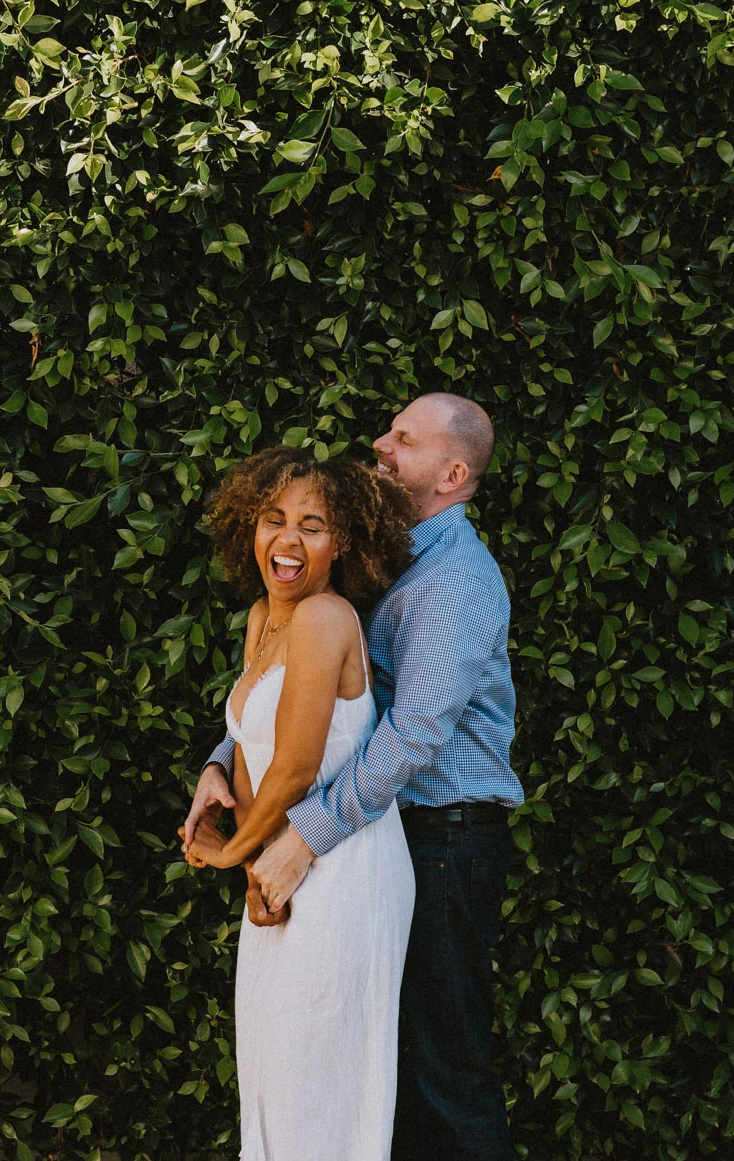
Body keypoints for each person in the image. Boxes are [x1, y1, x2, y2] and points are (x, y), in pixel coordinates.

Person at [184, 393, 525, 1161]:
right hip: (385, 834)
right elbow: (306, 692)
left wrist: (303, 834)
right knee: (377, 1074)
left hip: (444, 838)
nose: (381, 444)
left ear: (452, 470)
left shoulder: (458, 578)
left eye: (403, 439)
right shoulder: (386, 559)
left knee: (445, 1074)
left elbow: (411, 737)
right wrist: (220, 762)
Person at [181, 445, 418, 1159]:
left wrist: (231, 854)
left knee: (316, 1086)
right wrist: (215, 773)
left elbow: (293, 767)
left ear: (341, 540)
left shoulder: (324, 616)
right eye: (272, 519)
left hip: (340, 871)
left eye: (312, 525)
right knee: (274, 1078)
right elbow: (252, 736)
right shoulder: (265, 616)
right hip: (280, 865)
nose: (287, 540)